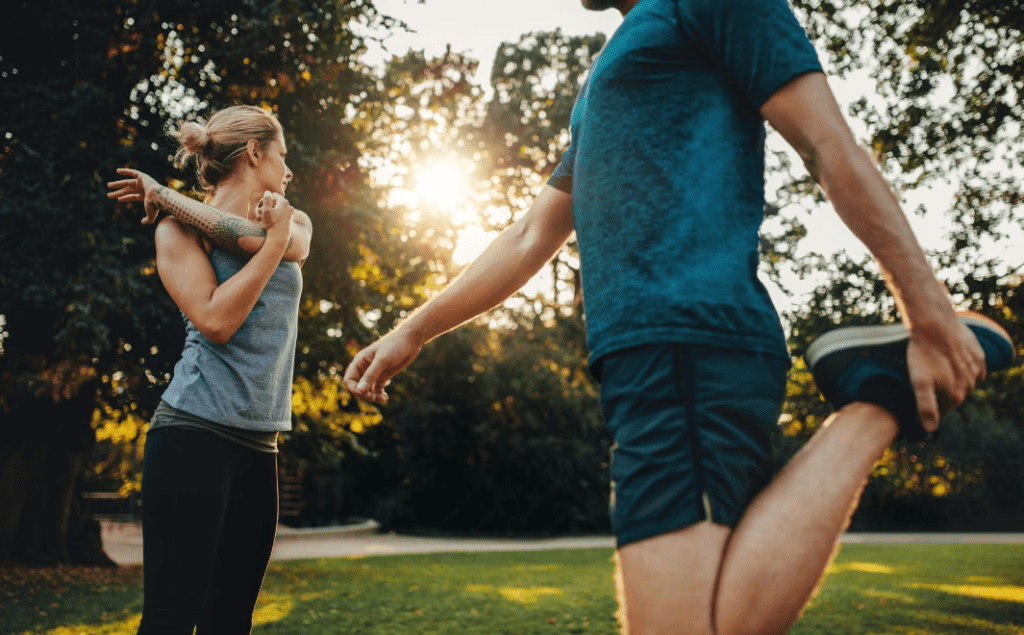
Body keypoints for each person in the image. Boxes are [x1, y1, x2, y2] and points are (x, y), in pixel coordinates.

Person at [343, 1, 1016, 634]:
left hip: (686, 342)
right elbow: (529, 235)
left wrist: (929, 313)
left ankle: (877, 400)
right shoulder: (617, 67)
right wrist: (412, 329)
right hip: (648, 358)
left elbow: (824, 141)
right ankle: (877, 393)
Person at [107, 104, 312, 635]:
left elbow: (260, 240)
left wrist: (167, 192)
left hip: (259, 445)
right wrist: (270, 246)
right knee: (171, 619)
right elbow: (217, 320)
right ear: (254, 152)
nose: (289, 171)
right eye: (282, 155)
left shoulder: (295, 222)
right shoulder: (176, 232)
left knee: (230, 622)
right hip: (193, 433)